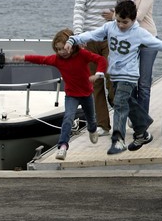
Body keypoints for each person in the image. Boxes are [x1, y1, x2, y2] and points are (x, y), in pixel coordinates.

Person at [64, 0, 162, 155]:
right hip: (114, 75)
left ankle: (118, 140)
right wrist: (73, 39)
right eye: (119, 20)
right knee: (127, 103)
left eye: (125, 22)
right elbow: (91, 35)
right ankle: (143, 132)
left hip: (129, 76)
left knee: (120, 104)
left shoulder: (139, 33)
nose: (121, 25)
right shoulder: (110, 27)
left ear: (133, 19)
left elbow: (160, 44)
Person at [11, 29, 108, 161]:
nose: (61, 52)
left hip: (86, 94)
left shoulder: (83, 55)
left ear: (72, 46)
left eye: (63, 49)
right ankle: (62, 146)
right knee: (68, 118)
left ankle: (92, 129)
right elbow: (41, 59)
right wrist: (24, 58)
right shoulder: (57, 59)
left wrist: (98, 74)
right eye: (58, 49)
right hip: (71, 95)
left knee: (91, 120)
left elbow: (101, 60)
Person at [72, 0, 126, 137]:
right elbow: (79, 10)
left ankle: (120, 113)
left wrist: (116, 14)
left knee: (113, 79)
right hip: (90, 38)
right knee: (95, 84)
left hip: (111, 37)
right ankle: (104, 125)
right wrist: (78, 36)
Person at [119, 0, 157, 114]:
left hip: (147, 40)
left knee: (144, 84)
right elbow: (124, 16)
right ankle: (134, 115)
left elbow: (138, 16)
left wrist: (115, 16)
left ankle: (142, 122)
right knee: (131, 83)